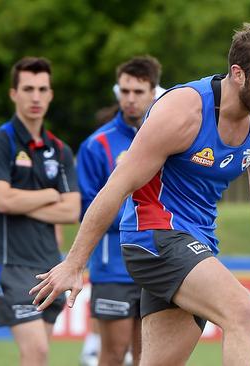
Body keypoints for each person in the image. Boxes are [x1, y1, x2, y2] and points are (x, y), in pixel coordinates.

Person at [30, 23, 250, 366]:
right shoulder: (184, 111)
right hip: (153, 236)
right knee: (241, 311)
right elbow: (118, 185)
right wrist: (74, 262)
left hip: (196, 242)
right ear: (238, 74)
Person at [0, 57, 80, 365]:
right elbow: (2, 200)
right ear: (14, 93)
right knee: (36, 350)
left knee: (38, 357)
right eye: (28, 89)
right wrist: (49, 194)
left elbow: (71, 211)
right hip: (10, 264)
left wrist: (23, 202)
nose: (36, 97)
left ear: (51, 94)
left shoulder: (61, 149)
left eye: (42, 89)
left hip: (48, 266)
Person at [76, 56, 162, 366]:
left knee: (148, 357)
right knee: (112, 355)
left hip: (156, 265)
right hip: (113, 269)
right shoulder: (96, 145)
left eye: (138, 92)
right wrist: (138, 214)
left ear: (154, 92)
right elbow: (86, 208)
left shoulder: (168, 137)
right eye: (124, 91)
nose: (129, 99)